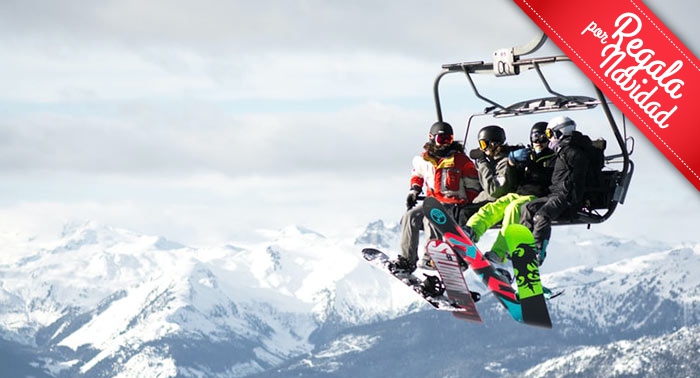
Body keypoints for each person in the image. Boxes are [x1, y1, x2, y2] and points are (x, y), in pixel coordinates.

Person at [390, 121, 480, 274]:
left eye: (448, 140)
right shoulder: (424, 160)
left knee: (432, 215)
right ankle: (407, 259)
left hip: (453, 204)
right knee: (410, 216)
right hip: (432, 201)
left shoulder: (460, 161)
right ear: (431, 138)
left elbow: (473, 185)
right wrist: (414, 190)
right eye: (441, 139)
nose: (445, 144)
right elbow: (417, 175)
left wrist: (468, 205)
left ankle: (433, 256)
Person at [463, 121, 556, 265]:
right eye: (534, 137)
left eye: (543, 138)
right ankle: (471, 231)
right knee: (494, 207)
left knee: (513, 209)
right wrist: (512, 164)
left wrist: (532, 166)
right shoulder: (528, 155)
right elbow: (513, 180)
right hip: (519, 193)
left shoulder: (553, 158)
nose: (538, 142)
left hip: (537, 196)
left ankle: (499, 254)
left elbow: (552, 179)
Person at [520, 115, 592, 265]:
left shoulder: (574, 152)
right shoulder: (563, 151)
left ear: (560, 133)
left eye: (548, 135)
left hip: (567, 197)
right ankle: (524, 245)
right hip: (555, 194)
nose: (548, 139)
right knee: (527, 207)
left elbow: (580, 177)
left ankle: (538, 251)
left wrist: (575, 200)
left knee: (541, 216)